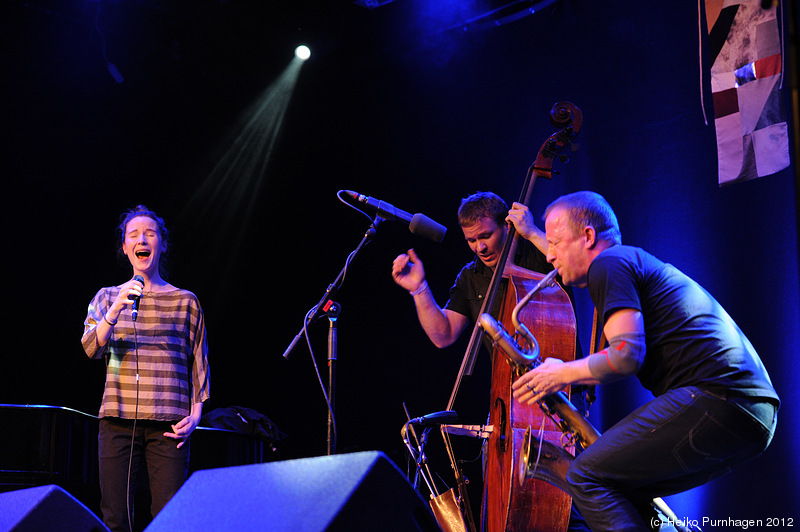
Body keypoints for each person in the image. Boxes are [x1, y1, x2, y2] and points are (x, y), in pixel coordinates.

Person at [511, 191, 779, 531]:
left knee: (585, 476)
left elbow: (625, 355)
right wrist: (566, 377)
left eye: (555, 243)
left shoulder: (608, 264)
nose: (548, 256)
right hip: (752, 414)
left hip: (719, 396)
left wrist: (562, 372)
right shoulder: (626, 263)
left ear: (588, 236)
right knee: (622, 488)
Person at [81, 205, 210, 532]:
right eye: (134, 234)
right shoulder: (108, 296)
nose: (142, 239)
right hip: (118, 421)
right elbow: (91, 348)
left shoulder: (186, 301)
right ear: (125, 247)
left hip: (170, 422)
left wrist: (196, 414)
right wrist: (115, 310)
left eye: (150, 233)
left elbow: (198, 360)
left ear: (162, 244)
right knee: (116, 518)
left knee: (169, 520)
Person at [391, 191, 553, 349]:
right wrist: (419, 289)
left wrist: (532, 232)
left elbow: (574, 261)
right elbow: (444, 336)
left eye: (486, 236)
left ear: (506, 226)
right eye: (471, 240)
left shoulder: (538, 250)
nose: (479, 248)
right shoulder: (470, 276)